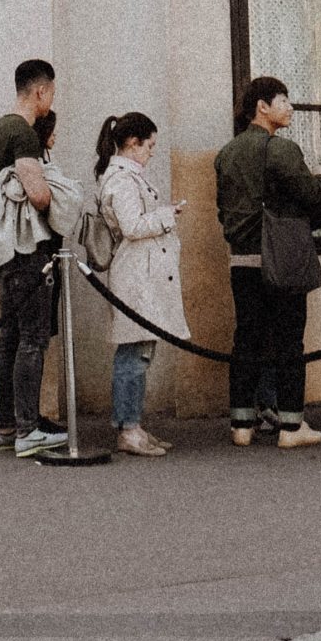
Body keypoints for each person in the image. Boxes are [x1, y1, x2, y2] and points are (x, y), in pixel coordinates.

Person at [214, 76, 321, 450]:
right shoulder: (281, 149)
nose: (290, 107)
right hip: (280, 260)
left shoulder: (227, 153)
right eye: (283, 100)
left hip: (241, 260)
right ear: (262, 106)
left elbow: (223, 210)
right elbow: (310, 193)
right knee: (288, 340)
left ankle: (242, 425)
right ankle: (291, 426)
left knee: (246, 339)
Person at [0, 59, 64, 456]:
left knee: (8, 340)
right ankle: (28, 429)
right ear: (40, 92)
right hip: (28, 250)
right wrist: (57, 194)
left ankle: (5, 425)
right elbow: (39, 194)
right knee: (32, 340)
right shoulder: (24, 135)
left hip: (1, 251)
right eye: (51, 92)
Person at [95, 112, 185, 457]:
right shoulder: (121, 179)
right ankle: (128, 428)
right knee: (133, 354)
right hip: (136, 275)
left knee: (139, 352)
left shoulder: (124, 176)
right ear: (133, 143)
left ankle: (132, 424)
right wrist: (167, 215)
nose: (151, 152)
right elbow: (132, 225)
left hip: (141, 273)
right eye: (150, 146)